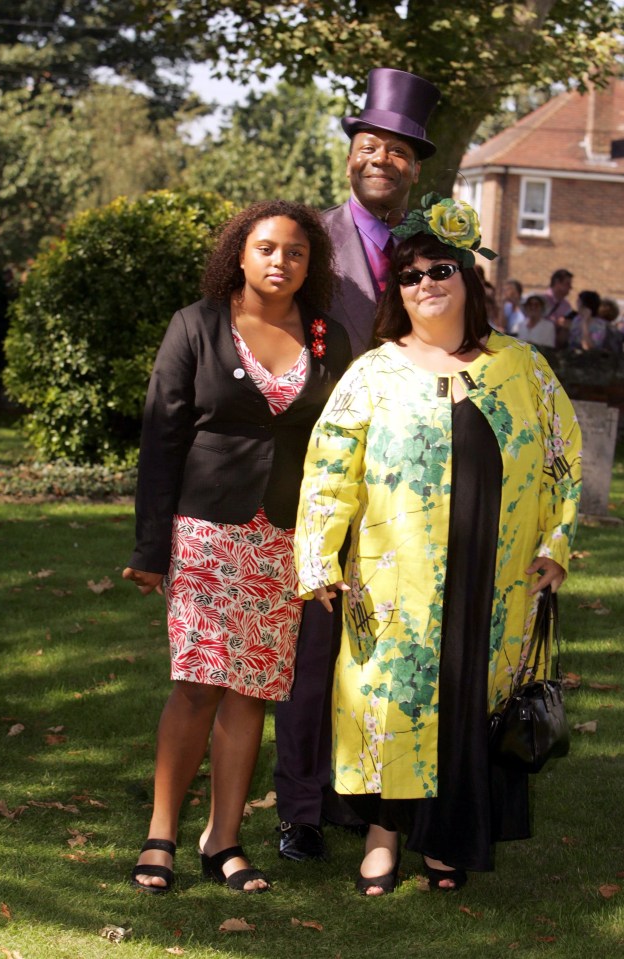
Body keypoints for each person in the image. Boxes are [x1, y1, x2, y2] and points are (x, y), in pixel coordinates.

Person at [293, 193, 582, 896]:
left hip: (496, 572)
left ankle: (449, 837)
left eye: (440, 269)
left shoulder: (522, 367)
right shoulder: (373, 371)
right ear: (399, 290)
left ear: (467, 277)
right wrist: (317, 558)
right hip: (396, 582)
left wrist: (556, 544)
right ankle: (384, 835)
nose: (427, 284)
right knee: (394, 702)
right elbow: (330, 470)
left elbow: (561, 456)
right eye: (412, 275)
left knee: (468, 698)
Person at [124, 200, 351, 894]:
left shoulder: (329, 338)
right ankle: (160, 832)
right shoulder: (197, 325)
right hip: (206, 532)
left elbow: (343, 443)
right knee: (197, 685)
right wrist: (150, 546)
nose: (280, 260)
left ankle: (222, 839)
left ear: (311, 264)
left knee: (252, 691)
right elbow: (161, 438)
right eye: (266, 247)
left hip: (284, 538)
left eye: (296, 251)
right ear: (240, 254)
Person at [274, 67, 441, 862]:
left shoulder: (438, 253)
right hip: (321, 476)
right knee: (314, 644)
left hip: (412, 489)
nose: (378, 158)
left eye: (396, 150)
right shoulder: (311, 241)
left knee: (393, 646)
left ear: (416, 166)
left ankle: (376, 801)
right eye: (366, 144)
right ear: (350, 155)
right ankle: (301, 809)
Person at [543, 268, 574, 349]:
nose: (570, 287)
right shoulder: (542, 300)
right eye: (567, 284)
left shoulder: (567, 305)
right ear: (557, 282)